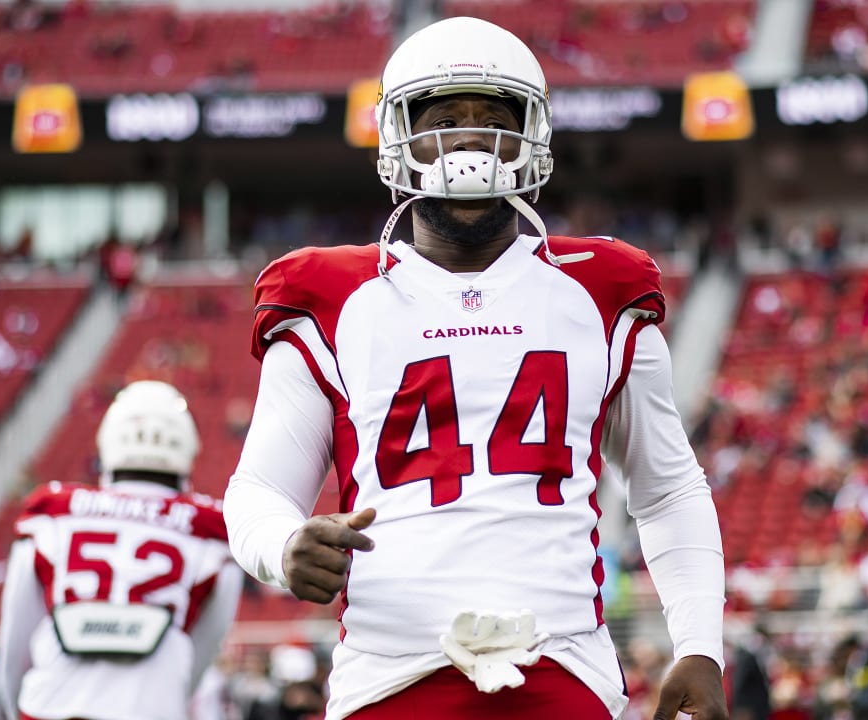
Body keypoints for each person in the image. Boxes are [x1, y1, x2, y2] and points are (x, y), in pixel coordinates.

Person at [224, 15, 726, 720]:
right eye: (445, 118)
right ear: (400, 135)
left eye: (492, 117)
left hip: (565, 664)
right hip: (387, 675)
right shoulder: (333, 300)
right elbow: (257, 489)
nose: (468, 138)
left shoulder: (598, 290)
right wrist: (283, 544)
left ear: (532, 135)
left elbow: (668, 489)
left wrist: (700, 645)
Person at [0, 381, 243, 720]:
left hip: (48, 705)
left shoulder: (53, 514)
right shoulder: (211, 531)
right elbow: (197, 657)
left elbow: (14, 647)